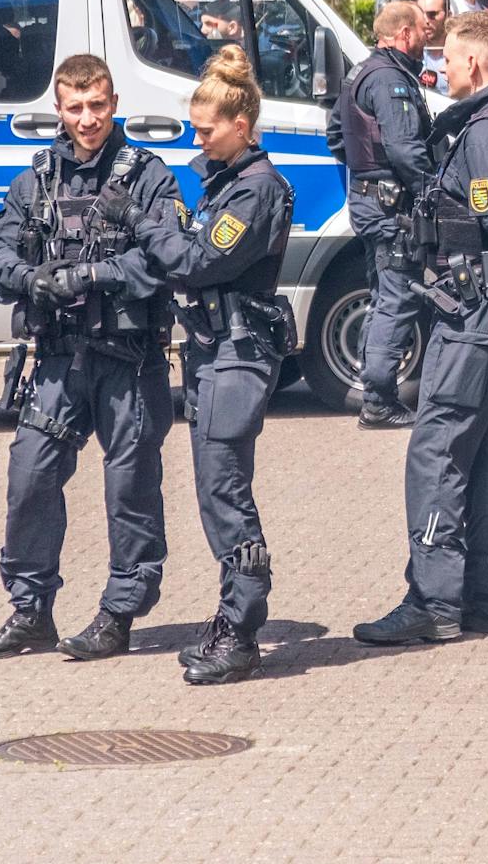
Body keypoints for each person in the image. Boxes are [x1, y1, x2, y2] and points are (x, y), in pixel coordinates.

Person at [354, 12, 488, 645]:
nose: (441, 67)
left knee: (436, 450)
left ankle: (434, 600)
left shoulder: (483, 134)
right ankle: (485, 600)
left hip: (472, 315)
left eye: (448, 56)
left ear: (474, 63)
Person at [0, 54, 184, 663]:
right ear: (59, 110)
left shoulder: (149, 177)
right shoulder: (35, 179)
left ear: (113, 104)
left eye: (97, 106)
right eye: (75, 108)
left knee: (130, 488)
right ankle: (31, 610)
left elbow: (164, 259)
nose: (87, 120)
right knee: (31, 476)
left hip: (127, 360)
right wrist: (34, 278)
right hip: (61, 361)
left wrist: (95, 273)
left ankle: (119, 613)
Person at [148, 45, 297, 685]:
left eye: (206, 129)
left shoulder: (256, 191)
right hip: (214, 351)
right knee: (216, 490)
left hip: (239, 354)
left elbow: (199, 262)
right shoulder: (228, 181)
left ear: (242, 125)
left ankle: (241, 629)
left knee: (224, 490)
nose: (197, 138)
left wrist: (154, 230)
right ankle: (230, 616)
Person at [328, 0, 436, 429]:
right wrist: (434, 190)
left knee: (383, 294)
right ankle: (378, 400)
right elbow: (405, 149)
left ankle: (377, 391)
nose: (428, 38)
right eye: (425, 31)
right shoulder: (391, 80)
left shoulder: (361, 72)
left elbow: (337, 134)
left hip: (369, 201)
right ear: (405, 34)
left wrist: (363, 170)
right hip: (392, 209)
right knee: (397, 297)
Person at [418, 0, 452, 95]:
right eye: (420, 15)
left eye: (432, 14)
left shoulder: (459, 54)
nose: (426, 21)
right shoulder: (410, 54)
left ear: (448, 16)